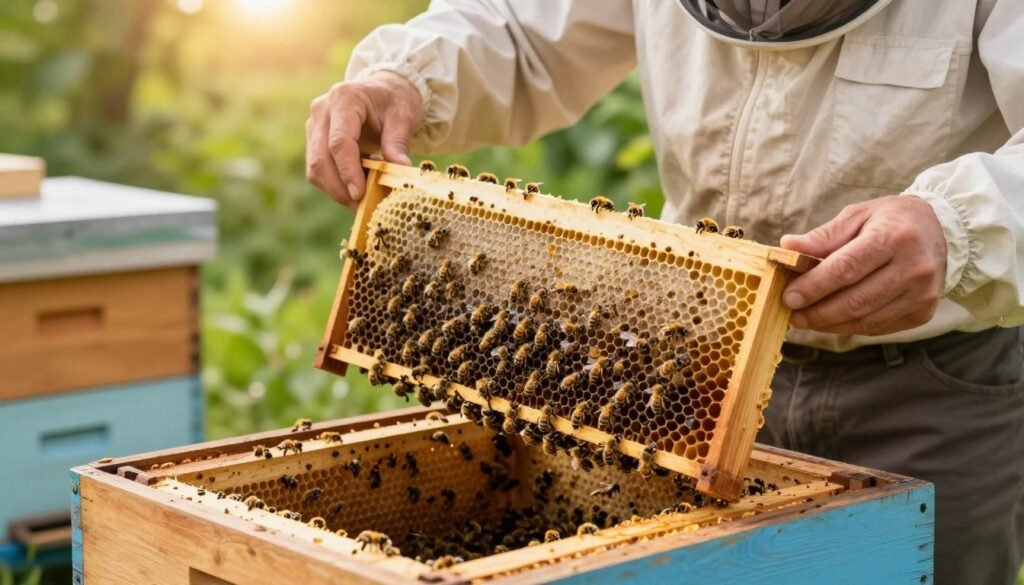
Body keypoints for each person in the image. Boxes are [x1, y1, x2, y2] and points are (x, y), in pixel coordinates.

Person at [304, 1, 1024, 583]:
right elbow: (524, 27)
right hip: (692, 377)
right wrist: (404, 77)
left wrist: (957, 227)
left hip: (934, 390)